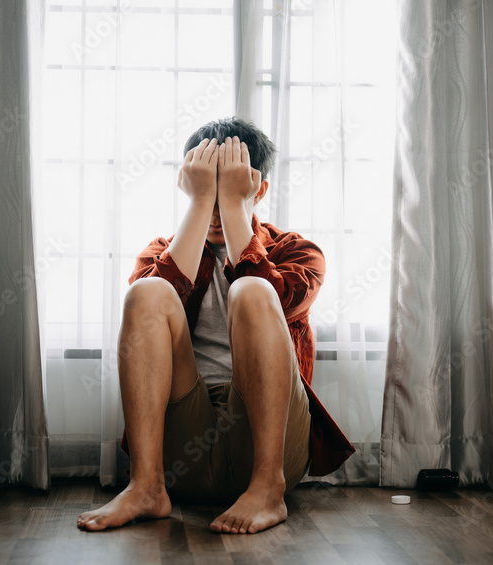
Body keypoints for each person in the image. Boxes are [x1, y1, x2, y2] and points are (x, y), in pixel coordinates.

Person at [77, 117, 353, 534]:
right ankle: (146, 487)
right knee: (147, 293)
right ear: (191, 184)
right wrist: (200, 203)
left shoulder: (297, 251)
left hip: (269, 444)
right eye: (207, 183)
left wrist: (234, 206)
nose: (217, 202)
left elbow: (276, 301)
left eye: (231, 186)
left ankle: (266, 490)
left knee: (253, 291)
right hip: (184, 438)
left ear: (256, 189)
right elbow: (146, 319)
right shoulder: (160, 251)